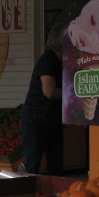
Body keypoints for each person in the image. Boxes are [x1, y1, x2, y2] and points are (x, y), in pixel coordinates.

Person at [19, 21, 64, 174]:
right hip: (36, 118)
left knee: (56, 161)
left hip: (52, 118)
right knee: (33, 161)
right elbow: (49, 91)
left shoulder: (59, 62)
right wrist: (73, 94)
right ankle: (27, 191)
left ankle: (54, 194)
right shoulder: (48, 60)